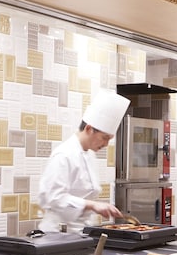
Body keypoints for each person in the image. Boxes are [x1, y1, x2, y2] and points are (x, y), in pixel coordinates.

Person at [37, 90, 130, 232]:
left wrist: (97, 206)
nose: (106, 144)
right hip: (58, 233)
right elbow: (54, 198)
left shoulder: (89, 155)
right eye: (104, 138)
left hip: (80, 231)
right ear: (89, 129)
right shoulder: (64, 155)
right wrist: (92, 205)